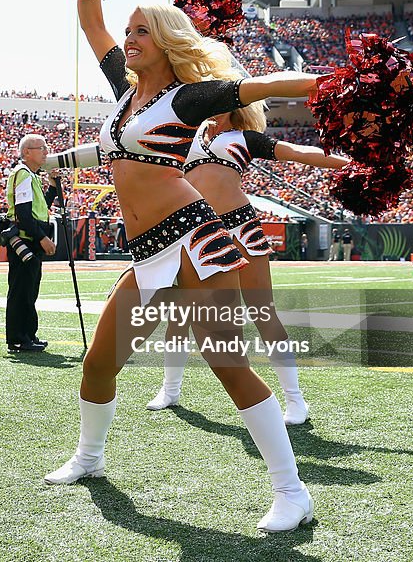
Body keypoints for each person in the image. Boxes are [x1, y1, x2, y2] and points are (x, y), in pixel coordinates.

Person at [41, 0, 318, 532]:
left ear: (166, 41)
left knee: (228, 366)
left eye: (142, 31)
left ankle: (293, 491)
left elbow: (266, 87)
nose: (130, 38)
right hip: (148, 253)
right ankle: (90, 458)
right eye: (129, 30)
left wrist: (345, 83)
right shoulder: (126, 98)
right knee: (99, 362)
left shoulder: (188, 97)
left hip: (195, 243)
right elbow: (91, 23)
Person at [145, 104, 348, 424]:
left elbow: (298, 152)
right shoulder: (186, 134)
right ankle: (170, 389)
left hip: (240, 228)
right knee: (180, 313)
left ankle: (296, 401)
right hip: (195, 231)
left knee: (262, 311)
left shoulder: (245, 138)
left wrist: (347, 162)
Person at [3, 134, 59, 353]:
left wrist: (53, 187)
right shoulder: (23, 174)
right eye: (42, 148)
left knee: (30, 290)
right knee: (21, 290)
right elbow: (24, 215)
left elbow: (41, 207)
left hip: (30, 239)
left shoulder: (33, 176)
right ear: (27, 152)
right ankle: (17, 338)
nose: (46, 151)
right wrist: (42, 238)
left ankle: (28, 335)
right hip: (25, 240)